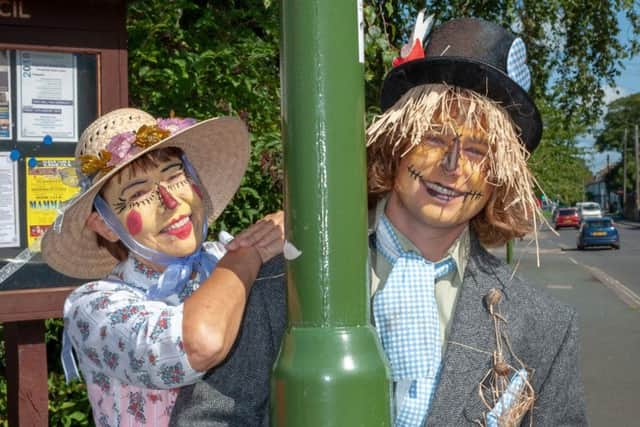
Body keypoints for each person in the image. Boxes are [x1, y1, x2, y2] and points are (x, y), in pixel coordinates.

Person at [366, 15, 587, 426]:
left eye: (479, 151)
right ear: (396, 142)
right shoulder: (289, 278)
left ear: (501, 174)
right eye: (434, 137)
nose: (453, 166)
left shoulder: (544, 325)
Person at [41, 108, 287, 426]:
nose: (170, 201)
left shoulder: (226, 256)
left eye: (174, 176)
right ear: (105, 226)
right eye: (139, 193)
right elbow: (201, 343)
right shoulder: (94, 308)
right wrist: (247, 256)